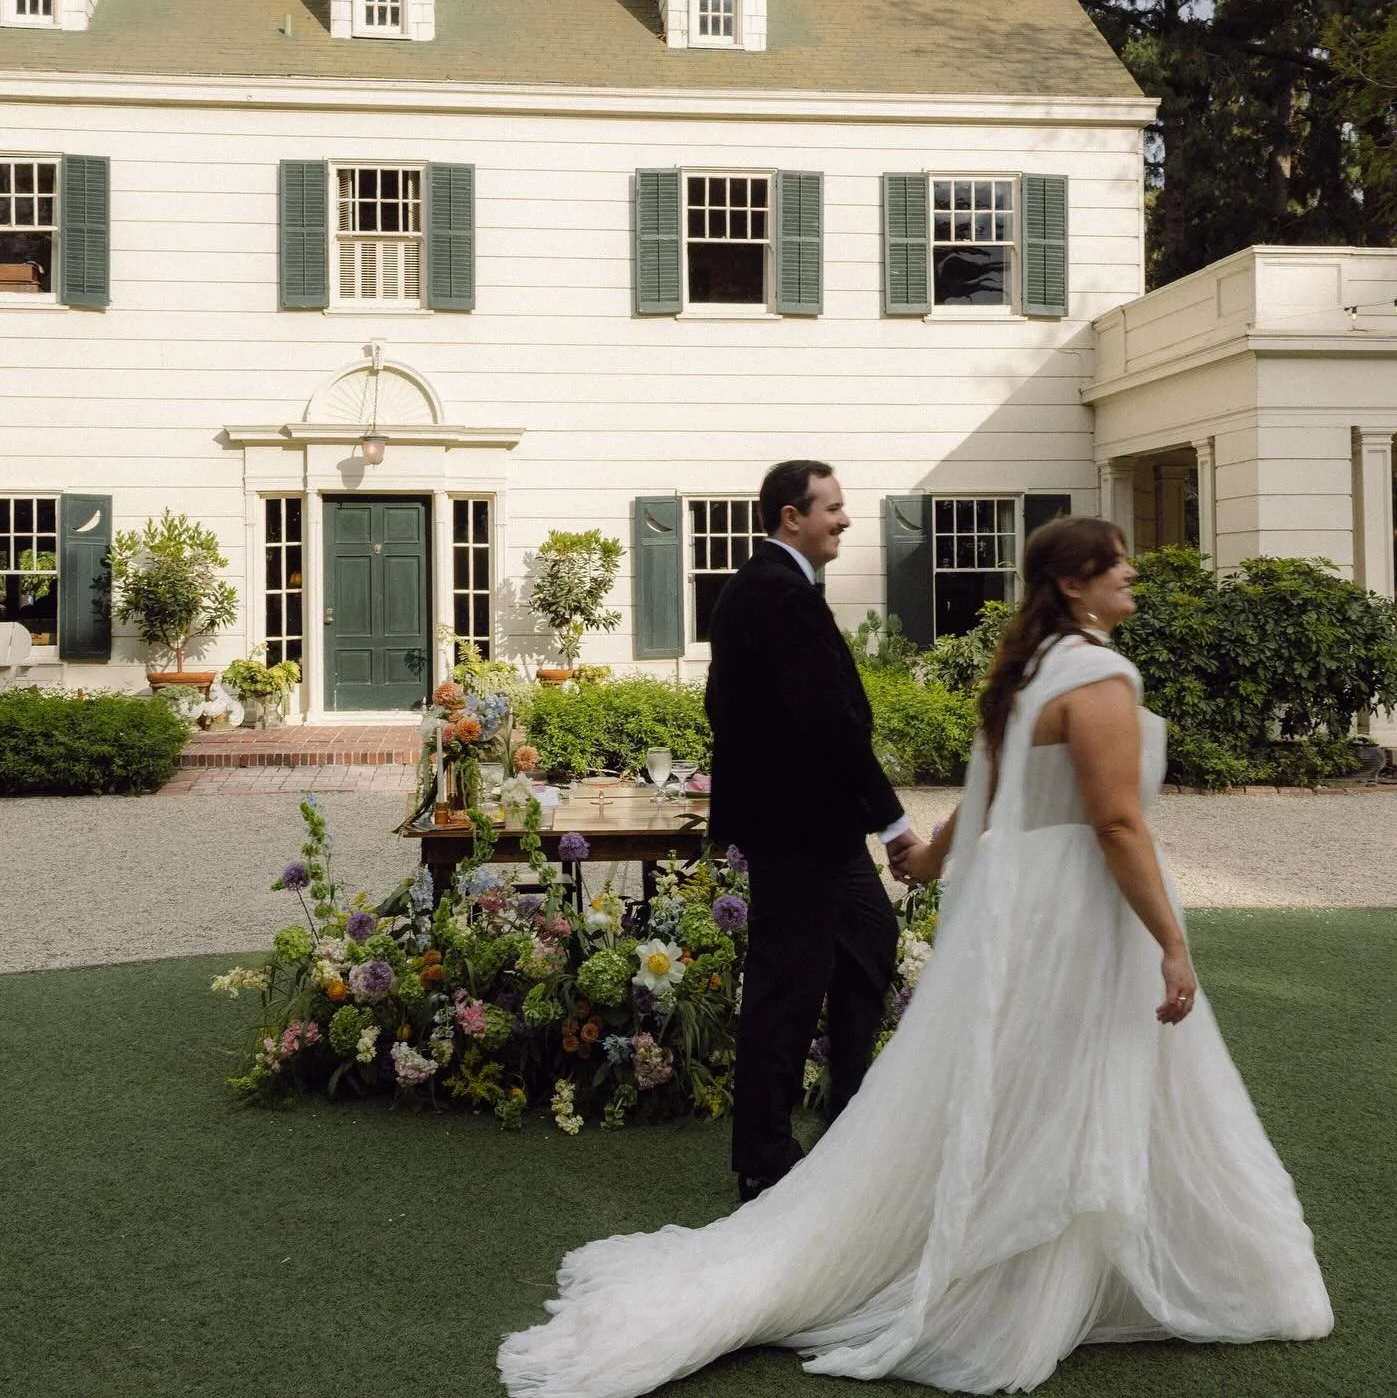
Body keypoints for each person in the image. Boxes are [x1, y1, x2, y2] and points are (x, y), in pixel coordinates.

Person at [499, 515, 1332, 1398]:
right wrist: (1172, 943)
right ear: (1072, 587)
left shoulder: (1035, 671)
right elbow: (1117, 821)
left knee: (1034, 1077)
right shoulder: (1096, 675)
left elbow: (991, 794)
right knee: (1075, 1073)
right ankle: (1029, 1267)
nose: (1130, 574)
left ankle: (1073, 1254)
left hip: (1026, 909)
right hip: (1076, 911)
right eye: (1111, 564)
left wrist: (929, 858)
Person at [705, 459, 919, 1200]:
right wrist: (893, 824)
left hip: (815, 825)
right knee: (785, 986)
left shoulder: (772, 587)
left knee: (869, 941)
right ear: (791, 516)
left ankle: (849, 1115)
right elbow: (830, 724)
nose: (846, 519)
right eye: (832, 507)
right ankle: (764, 1159)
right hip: (799, 829)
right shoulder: (776, 592)